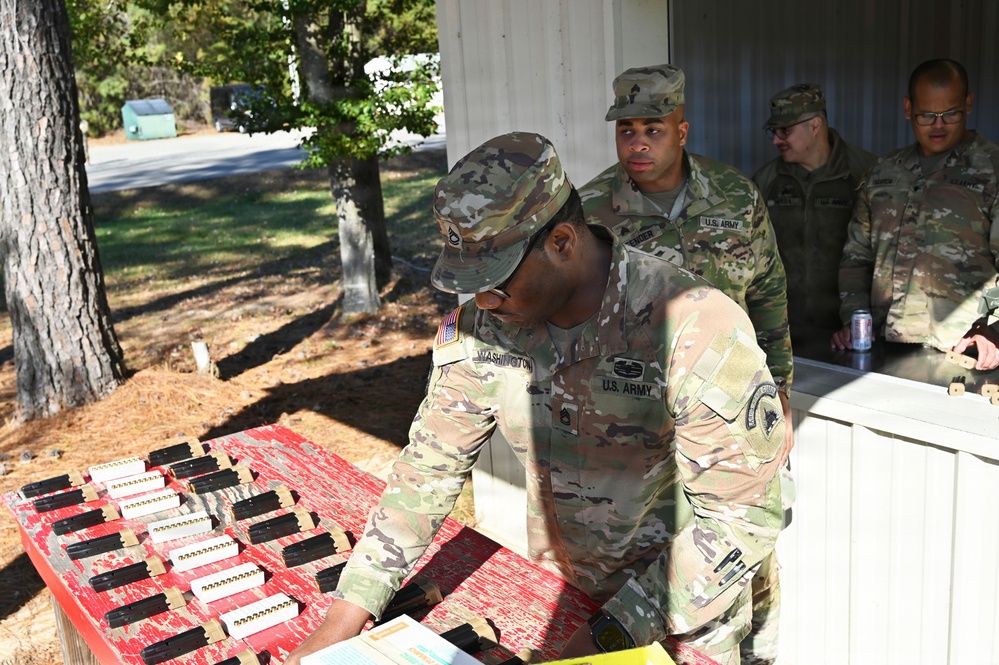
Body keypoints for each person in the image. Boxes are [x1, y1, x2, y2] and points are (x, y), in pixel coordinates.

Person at [286, 132, 785, 665]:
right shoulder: (485, 329)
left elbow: (740, 519)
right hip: (567, 596)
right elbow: (429, 468)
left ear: (563, 243)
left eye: (497, 280)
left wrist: (595, 641)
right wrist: (344, 620)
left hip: (683, 613)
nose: (482, 299)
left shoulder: (692, 326)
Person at [579, 64, 792, 664]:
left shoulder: (735, 196)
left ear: (683, 130)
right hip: (641, 430)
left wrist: (780, 394)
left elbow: (770, 296)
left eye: (653, 129)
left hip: (734, 423)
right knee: (667, 576)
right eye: (626, 131)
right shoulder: (591, 212)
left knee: (750, 557)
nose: (637, 143)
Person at [833, 58, 999, 370]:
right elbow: (856, 257)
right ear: (908, 108)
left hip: (963, 350)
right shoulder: (884, 172)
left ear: (969, 103)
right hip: (880, 346)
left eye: (950, 113)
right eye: (926, 115)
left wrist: (995, 331)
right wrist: (853, 319)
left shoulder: (992, 170)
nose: (938, 125)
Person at [752, 83, 877, 331]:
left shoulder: (866, 173)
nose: (776, 140)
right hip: (783, 330)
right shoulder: (766, 180)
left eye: (785, 131)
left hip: (848, 329)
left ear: (815, 125)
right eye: (774, 132)